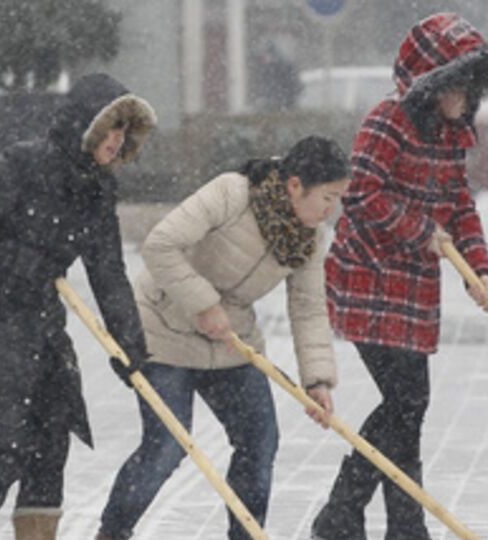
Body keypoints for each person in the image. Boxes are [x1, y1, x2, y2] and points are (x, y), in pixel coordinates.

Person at [0, 73, 157, 540]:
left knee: (49, 446)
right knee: (8, 451)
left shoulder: (98, 189)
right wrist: (23, 262)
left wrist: (129, 346)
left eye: (126, 131)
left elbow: (108, 273)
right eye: (112, 128)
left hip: (41, 330)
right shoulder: (22, 165)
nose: (118, 140)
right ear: (87, 126)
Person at [95, 135, 349, 540]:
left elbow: (308, 308)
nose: (331, 209)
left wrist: (317, 380)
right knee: (166, 447)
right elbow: (160, 245)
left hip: (231, 342)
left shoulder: (310, 239)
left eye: (339, 199)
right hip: (165, 331)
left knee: (259, 442)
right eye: (328, 197)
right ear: (295, 184)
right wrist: (202, 302)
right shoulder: (232, 194)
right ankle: (111, 533)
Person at [310, 13, 488, 540]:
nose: (465, 94)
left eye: (471, 83)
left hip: (414, 288)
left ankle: (368, 520)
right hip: (367, 280)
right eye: (456, 82)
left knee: (407, 410)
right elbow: (362, 194)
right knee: (407, 403)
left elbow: (460, 203)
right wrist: (421, 231)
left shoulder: (450, 131)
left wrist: (477, 268)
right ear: (432, 82)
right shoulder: (388, 120)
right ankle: (367, 519)